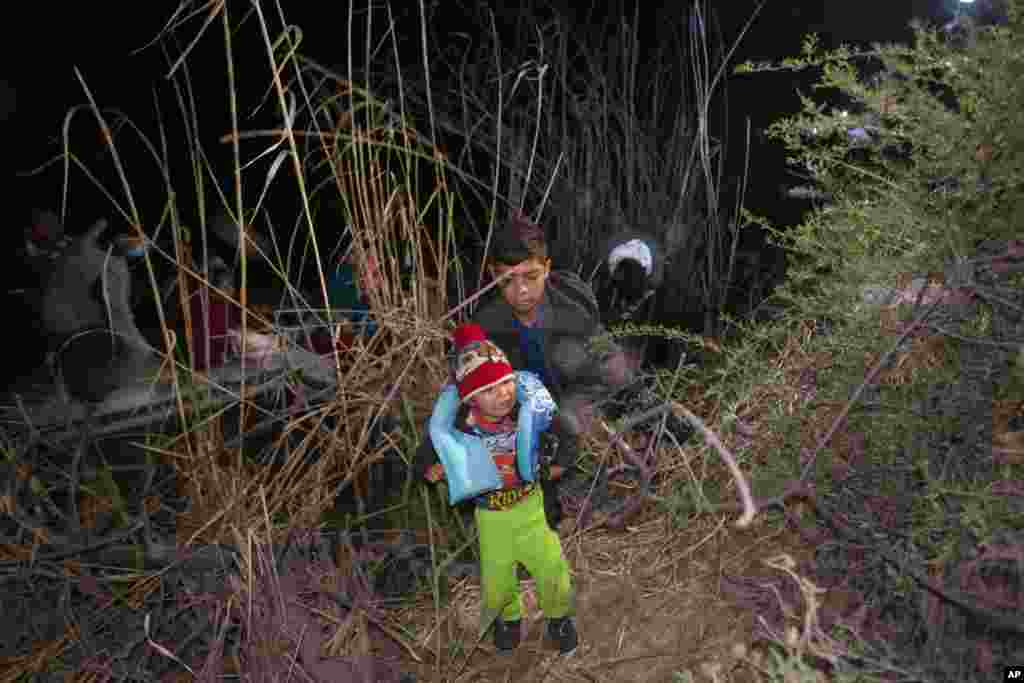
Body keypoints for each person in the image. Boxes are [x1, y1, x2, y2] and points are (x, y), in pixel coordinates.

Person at [418, 322, 578, 654]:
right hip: (491, 517)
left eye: (506, 382)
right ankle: (509, 619)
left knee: (552, 569)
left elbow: (566, 433)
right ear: (471, 399)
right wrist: (430, 469)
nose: (503, 393)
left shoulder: (527, 411)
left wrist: (560, 461)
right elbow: (426, 454)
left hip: (531, 506)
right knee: (496, 582)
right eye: (490, 389)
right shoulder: (460, 427)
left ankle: (559, 618)